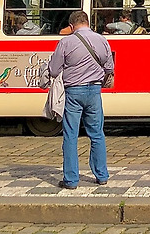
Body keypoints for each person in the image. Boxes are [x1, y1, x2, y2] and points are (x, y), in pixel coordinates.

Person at [48, 10, 113, 189]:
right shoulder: (102, 40)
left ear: (71, 26)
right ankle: (102, 175)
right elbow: (109, 67)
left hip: (74, 92)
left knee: (70, 135)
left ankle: (71, 180)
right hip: (94, 91)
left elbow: (53, 71)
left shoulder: (66, 42)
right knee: (97, 134)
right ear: (88, 23)